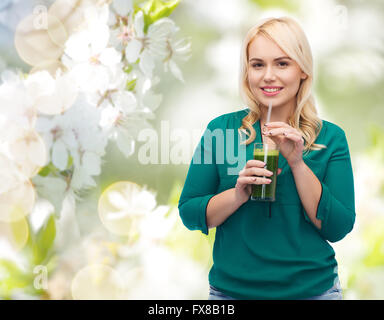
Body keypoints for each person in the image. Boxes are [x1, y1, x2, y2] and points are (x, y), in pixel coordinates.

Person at [178, 16, 355, 300]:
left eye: (282, 63)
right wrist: (237, 194)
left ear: (303, 71)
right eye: (257, 64)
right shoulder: (221, 130)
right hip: (232, 293)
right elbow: (190, 212)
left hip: (312, 292)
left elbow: (338, 227)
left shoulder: (331, 138)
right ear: (247, 72)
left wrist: (297, 163)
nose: (268, 76)